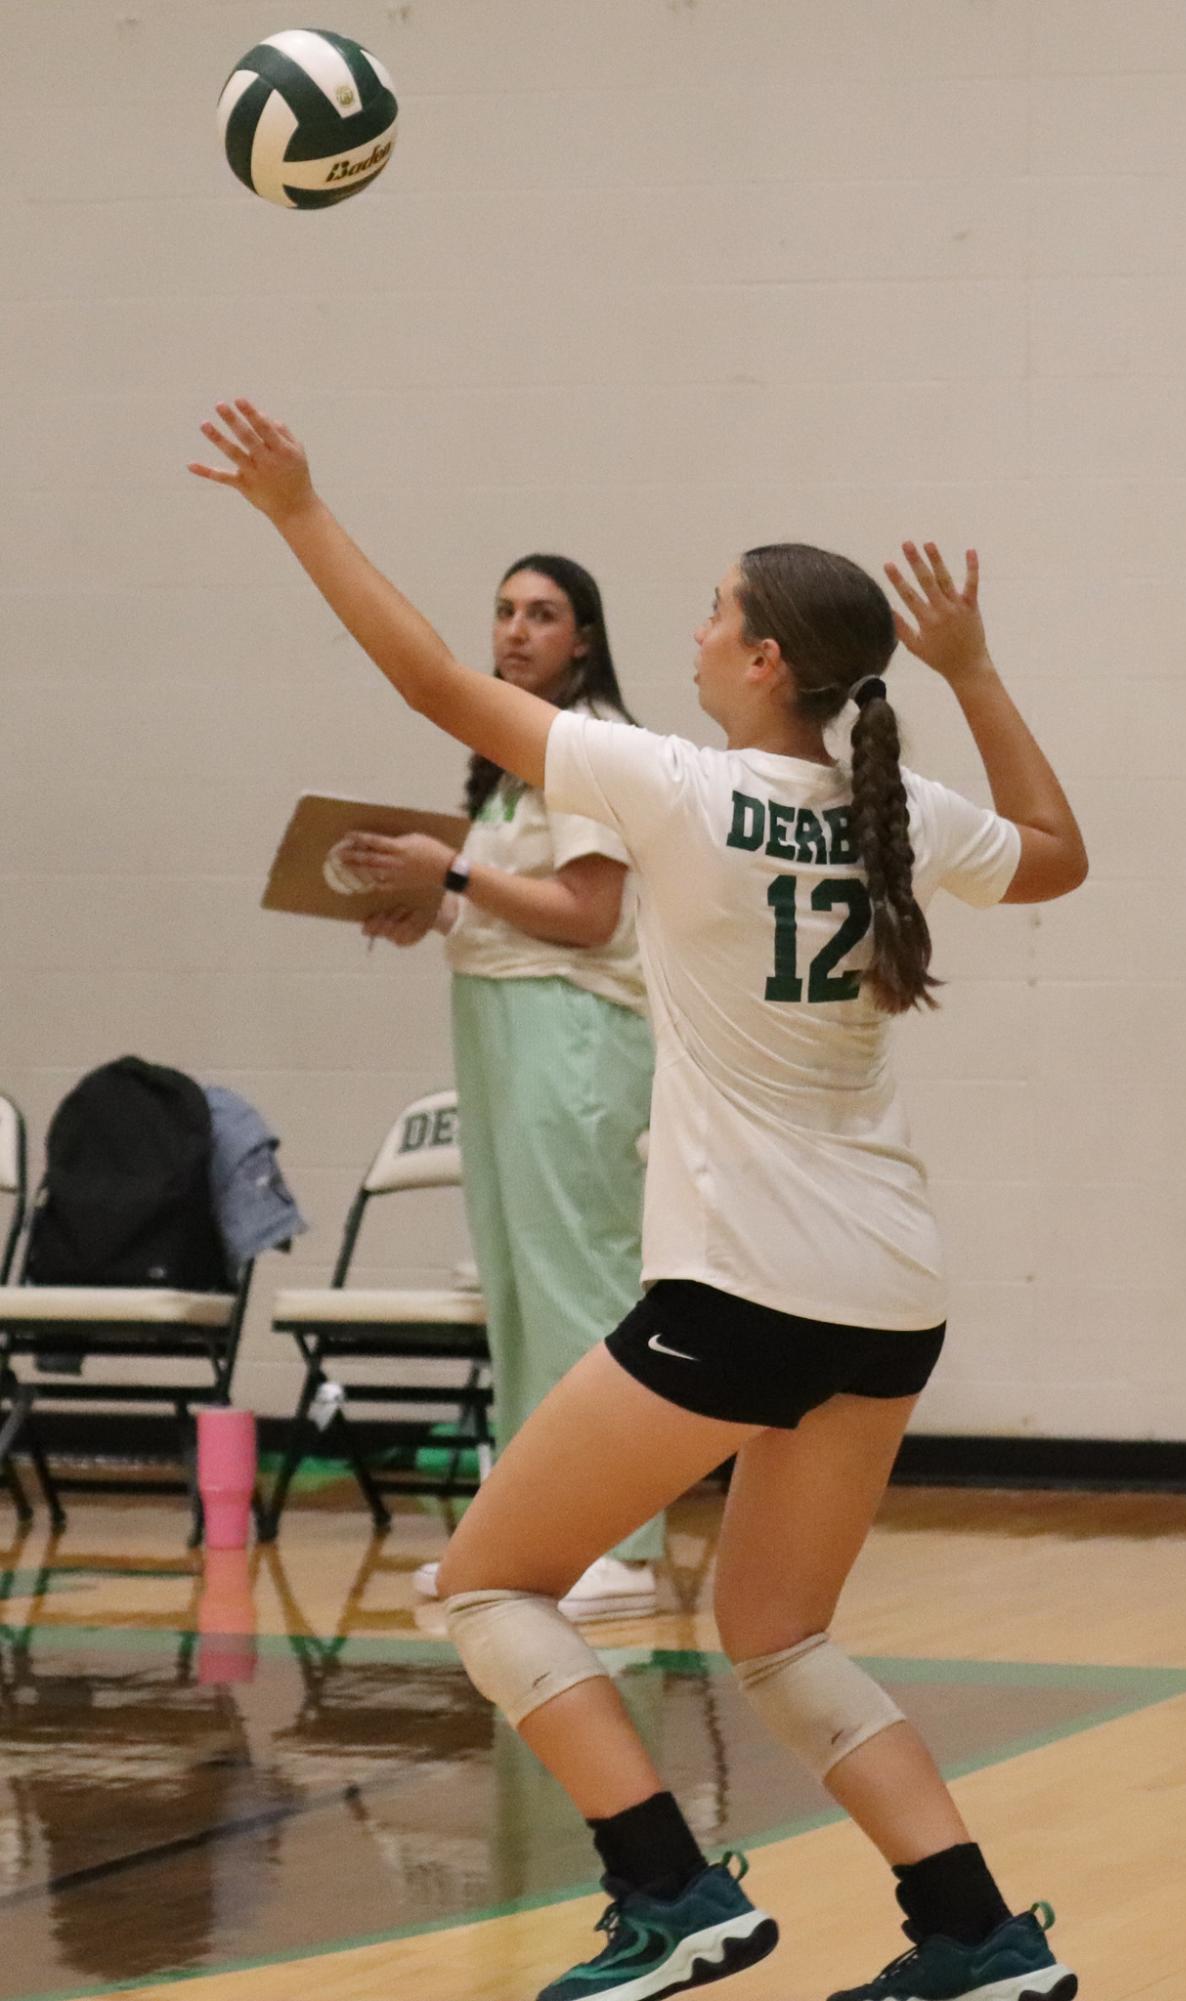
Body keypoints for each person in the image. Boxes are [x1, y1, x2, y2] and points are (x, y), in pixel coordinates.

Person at [191, 398, 1088, 2001]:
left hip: (747, 1285)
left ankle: (670, 1897)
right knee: (781, 1633)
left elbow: (431, 685)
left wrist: (297, 508)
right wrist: (971, 671)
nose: (696, 630)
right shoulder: (898, 812)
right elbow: (1058, 850)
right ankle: (973, 1937)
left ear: (760, 662)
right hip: (889, 1287)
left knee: (480, 1584)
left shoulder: (676, 786)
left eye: (714, 611)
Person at [333, 554, 663, 1622]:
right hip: (500, 1020)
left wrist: (455, 873)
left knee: (581, 1286)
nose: (516, 631)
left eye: (544, 615)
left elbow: (589, 914)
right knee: (517, 1294)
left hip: (573, 1035)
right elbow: (517, 907)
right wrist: (429, 905)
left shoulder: (592, 747)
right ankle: (530, 1536)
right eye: (505, 612)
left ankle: (622, 1543)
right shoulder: (512, 758)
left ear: (585, 639)